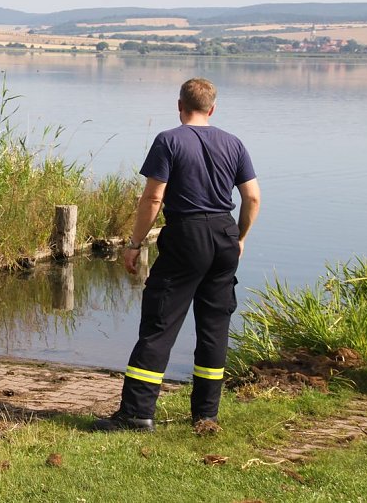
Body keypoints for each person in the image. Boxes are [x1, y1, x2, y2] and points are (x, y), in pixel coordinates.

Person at [91, 78, 261, 432]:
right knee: (214, 328)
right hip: (224, 233)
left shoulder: (168, 140)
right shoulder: (234, 143)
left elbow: (153, 198)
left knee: (160, 324)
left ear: (179, 105)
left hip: (186, 234)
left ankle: (137, 414)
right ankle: (205, 415)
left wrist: (135, 243)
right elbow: (253, 197)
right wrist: (241, 238)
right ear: (212, 109)